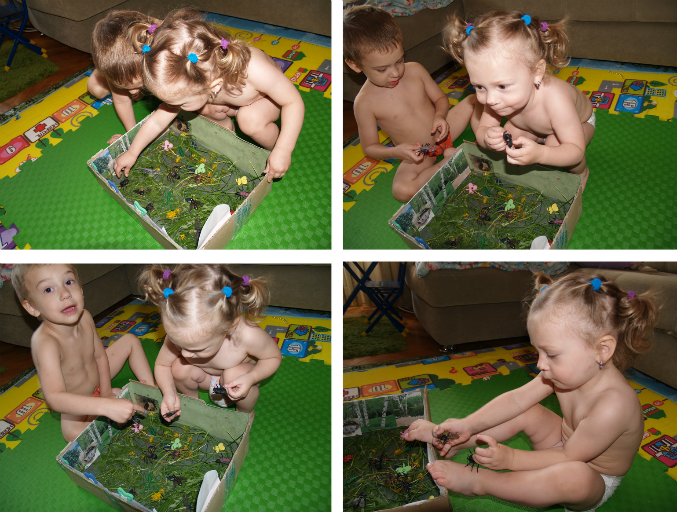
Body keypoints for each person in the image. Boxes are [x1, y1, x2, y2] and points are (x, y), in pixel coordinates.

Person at [403, 271, 659, 511]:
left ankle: (480, 482)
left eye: (551, 354)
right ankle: (456, 442)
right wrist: (468, 424)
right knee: (527, 410)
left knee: (575, 476)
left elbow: (569, 456)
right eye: (538, 352)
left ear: (602, 350)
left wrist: (511, 459)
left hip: (592, 475)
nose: (540, 364)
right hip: (563, 445)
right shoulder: (561, 372)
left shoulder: (613, 405)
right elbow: (516, 400)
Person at [113, 7, 304, 182]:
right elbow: (157, 121)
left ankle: (271, 151)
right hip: (227, 99)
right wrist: (133, 152)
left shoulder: (255, 71)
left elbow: (292, 102)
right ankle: (228, 130)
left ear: (214, 86)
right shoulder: (198, 78)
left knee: (249, 120)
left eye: (181, 103)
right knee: (203, 109)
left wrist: (283, 149)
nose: (175, 108)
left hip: (265, 100)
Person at [443, 11, 595, 190]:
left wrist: (541, 154)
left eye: (502, 86)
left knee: (556, 146)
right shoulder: (495, 97)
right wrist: (488, 138)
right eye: (479, 87)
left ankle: (581, 173)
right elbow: (483, 130)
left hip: (579, 124)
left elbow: (575, 151)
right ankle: (537, 140)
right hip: (532, 126)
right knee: (507, 135)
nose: (490, 100)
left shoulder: (557, 100)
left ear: (537, 73)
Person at [344, 5, 482, 202]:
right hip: (420, 153)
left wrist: (440, 116)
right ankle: (452, 160)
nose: (395, 73)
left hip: (445, 130)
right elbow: (370, 147)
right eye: (382, 69)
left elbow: (440, 99)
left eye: (399, 60)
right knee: (402, 190)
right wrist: (396, 151)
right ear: (355, 65)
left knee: (473, 100)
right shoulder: (364, 103)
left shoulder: (415, 70)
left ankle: (481, 142)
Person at [12, 264, 155, 442]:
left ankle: (151, 388)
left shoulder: (85, 316)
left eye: (68, 282)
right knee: (74, 435)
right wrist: (105, 405)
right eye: (48, 289)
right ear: (32, 307)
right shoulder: (45, 343)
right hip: (76, 400)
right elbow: (55, 398)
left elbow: (100, 357)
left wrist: (106, 392)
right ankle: (106, 413)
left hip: (99, 379)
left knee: (130, 340)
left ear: (80, 288)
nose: (65, 293)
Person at [139, 265, 281, 419]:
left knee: (233, 374)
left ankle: (244, 414)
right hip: (206, 378)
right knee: (179, 367)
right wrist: (169, 393)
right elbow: (162, 365)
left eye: (197, 349)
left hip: (238, 379)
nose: (185, 353)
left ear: (229, 327)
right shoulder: (181, 333)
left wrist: (251, 377)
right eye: (179, 345)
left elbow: (273, 357)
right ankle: (194, 403)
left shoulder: (247, 335)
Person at [88, 11, 162, 144]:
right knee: (95, 89)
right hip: (123, 64)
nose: (133, 93)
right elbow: (122, 102)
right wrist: (133, 134)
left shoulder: (166, 49)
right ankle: (106, 70)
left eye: (139, 86)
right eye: (128, 87)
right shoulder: (120, 71)